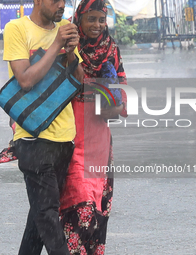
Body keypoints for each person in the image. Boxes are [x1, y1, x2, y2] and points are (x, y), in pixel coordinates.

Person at [2, 0, 84, 254]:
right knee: (48, 217)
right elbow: (25, 79)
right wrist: (57, 44)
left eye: (64, 1)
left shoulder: (64, 29)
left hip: (64, 139)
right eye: (55, 0)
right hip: (32, 139)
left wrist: (70, 51)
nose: (61, 5)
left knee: (38, 220)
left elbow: (78, 82)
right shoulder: (16, 28)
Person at [59, 0, 128, 254]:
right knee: (80, 203)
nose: (97, 25)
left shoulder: (112, 50)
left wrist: (113, 101)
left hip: (100, 139)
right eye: (91, 19)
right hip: (71, 135)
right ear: (80, 17)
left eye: (102, 19)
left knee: (97, 211)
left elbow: (122, 94)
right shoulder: (67, 45)